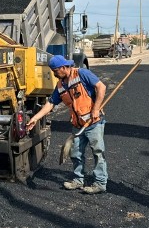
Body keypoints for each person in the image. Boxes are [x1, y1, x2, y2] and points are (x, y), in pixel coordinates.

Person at [26, 55, 108, 194]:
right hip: (78, 125)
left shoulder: (82, 73)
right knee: (75, 153)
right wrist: (36, 118)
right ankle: (78, 180)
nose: (54, 74)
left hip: (94, 122)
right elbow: (51, 103)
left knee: (97, 152)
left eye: (55, 71)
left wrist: (95, 109)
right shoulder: (60, 85)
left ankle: (100, 183)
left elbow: (101, 87)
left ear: (63, 68)